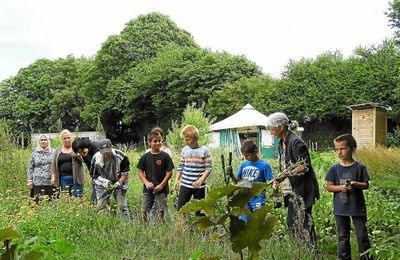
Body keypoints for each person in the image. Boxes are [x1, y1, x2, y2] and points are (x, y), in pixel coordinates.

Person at [267, 112, 319, 252]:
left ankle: (312, 252)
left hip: (302, 188)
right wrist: (279, 178)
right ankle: (302, 251)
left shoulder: (296, 142)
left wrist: (285, 174)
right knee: (293, 223)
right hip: (290, 188)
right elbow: (285, 165)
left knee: (304, 222)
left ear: (279, 127)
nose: (270, 132)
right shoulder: (282, 142)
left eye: (271, 128)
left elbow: (304, 165)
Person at [325, 134, 373, 260]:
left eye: (343, 148)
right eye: (337, 149)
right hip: (340, 209)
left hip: (357, 208)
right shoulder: (334, 169)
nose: (339, 152)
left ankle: (366, 257)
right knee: (342, 236)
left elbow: (366, 185)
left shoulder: (360, 167)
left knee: (362, 235)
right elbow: (329, 187)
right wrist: (341, 188)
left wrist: (356, 184)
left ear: (353, 149)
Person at [174, 125, 212, 216]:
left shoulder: (204, 151)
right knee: (181, 209)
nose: (186, 142)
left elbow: (208, 168)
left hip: (199, 186)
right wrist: (177, 180)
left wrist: (201, 180)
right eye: (185, 139)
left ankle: (201, 229)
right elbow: (181, 166)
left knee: (200, 212)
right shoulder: (185, 150)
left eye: (188, 139)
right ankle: (182, 228)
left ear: (195, 137)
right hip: (185, 184)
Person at [90, 139, 130, 222]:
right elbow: (94, 176)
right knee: (101, 205)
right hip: (102, 182)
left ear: (111, 149)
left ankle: (126, 225)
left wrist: (119, 182)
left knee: (122, 205)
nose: (106, 154)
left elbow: (125, 173)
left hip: (118, 180)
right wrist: (105, 182)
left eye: (108, 151)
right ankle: (105, 224)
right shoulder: (95, 158)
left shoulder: (121, 156)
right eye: (103, 152)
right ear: (100, 151)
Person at [138, 131, 174, 222]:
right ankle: (145, 227)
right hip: (148, 188)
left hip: (161, 188)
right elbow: (140, 172)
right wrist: (146, 182)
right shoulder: (145, 157)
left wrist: (162, 185)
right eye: (155, 141)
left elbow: (169, 172)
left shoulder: (166, 156)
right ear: (149, 142)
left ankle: (160, 227)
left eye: (159, 141)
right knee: (144, 210)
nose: (157, 143)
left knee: (160, 211)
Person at [235, 140, 273, 222]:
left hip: (258, 199)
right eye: (244, 155)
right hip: (244, 199)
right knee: (243, 223)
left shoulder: (264, 166)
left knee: (257, 222)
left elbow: (271, 182)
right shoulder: (243, 165)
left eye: (247, 155)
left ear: (255, 152)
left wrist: (275, 193)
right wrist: (231, 175)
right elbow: (237, 180)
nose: (245, 157)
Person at [51, 129, 84, 197]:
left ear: (71, 138)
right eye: (64, 138)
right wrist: (53, 176)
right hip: (63, 179)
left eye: (68, 138)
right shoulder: (57, 150)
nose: (67, 140)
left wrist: (78, 155)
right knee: (66, 200)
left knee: (77, 199)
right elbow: (54, 164)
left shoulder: (76, 148)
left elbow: (84, 159)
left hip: (76, 179)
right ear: (61, 139)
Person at [27, 134, 54, 203]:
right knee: (37, 202)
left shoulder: (53, 152)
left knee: (50, 203)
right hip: (37, 182)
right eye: (41, 140)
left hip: (49, 182)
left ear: (48, 141)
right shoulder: (34, 154)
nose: (43, 141)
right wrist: (29, 180)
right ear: (39, 142)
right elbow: (30, 167)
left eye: (45, 140)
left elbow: (56, 166)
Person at [72, 137, 99, 203]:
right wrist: (93, 177)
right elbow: (89, 166)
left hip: (106, 174)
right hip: (95, 176)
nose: (81, 154)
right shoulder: (84, 154)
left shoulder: (97, 148)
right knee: (94, 197)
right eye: (79, 152)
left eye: (82, 151)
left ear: (86, 146)